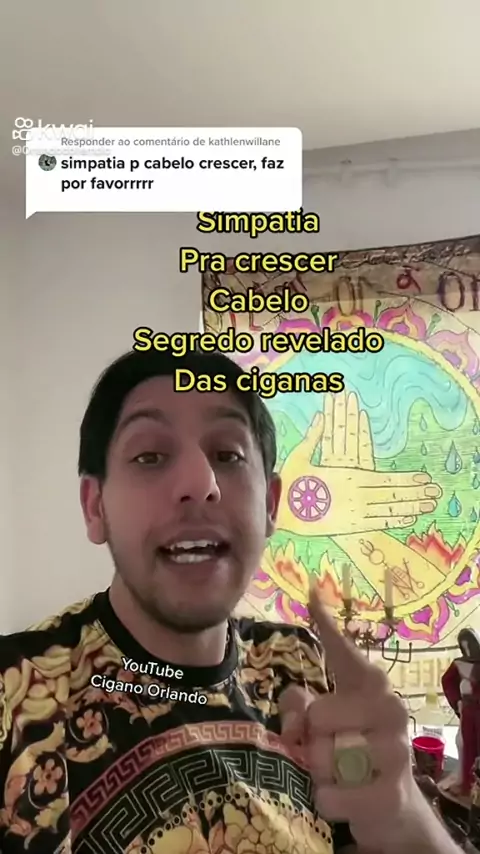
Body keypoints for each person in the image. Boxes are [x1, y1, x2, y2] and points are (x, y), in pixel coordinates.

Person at [0, 348, 462, 853]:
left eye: (228, 455)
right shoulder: (15, 693)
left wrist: (404, 817)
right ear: (95, 507)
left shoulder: (300, 664)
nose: (200, 484)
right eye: (149, 456)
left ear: (270, 506)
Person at [442, 628, 480, 796]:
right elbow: (447, 680)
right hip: (467, 709)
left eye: (469, 646)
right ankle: (467, 782)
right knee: (465, 744)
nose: (468, 651)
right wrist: (456, 700)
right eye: (464, 647)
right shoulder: (459, 664)